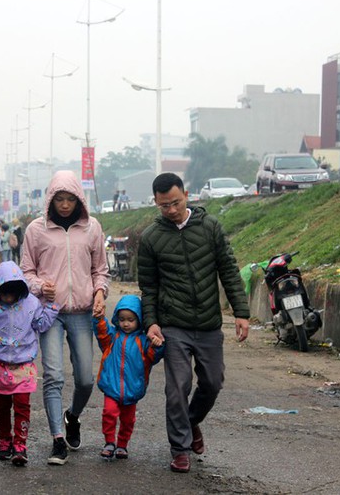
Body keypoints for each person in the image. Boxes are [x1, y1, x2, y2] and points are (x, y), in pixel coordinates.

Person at [137, 172, 250, 473]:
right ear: (156, 204)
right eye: (163, 206)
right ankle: (180, 448)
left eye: (175, 203)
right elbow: (148, 287)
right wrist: (151, 323)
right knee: (178, 386)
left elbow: (228, 270)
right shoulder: (151, 238)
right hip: (173, 324)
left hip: (209, 323)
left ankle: (191, 421)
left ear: (186, 195)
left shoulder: (210, 227)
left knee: (212, 383)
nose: (171, 210)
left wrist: (241, 311)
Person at [20, 170, 110, 465]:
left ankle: (73, 416)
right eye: (59, 199)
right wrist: (37, 286)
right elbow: (26, 271)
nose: (65, 205)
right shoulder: (36, 229)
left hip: (83, 312)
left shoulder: (92, 228)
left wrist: (100, 293)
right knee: (54, 376)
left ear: (78, 199)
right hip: (50, 313)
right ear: (51, 199)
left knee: (85, 379)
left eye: (70, 199)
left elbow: (101, 270)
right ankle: (57, 439)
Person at [0, 261, 60, 467]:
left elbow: (41, 324)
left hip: (23, 366)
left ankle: (20, 445)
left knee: (22, 406)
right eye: (4, 294)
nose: (8, 299)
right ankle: (5, 440)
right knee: (2, 406)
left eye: (13, 294)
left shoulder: (31, 304)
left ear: (20, 290)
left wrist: (52, 306)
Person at [92, 294, 164, 460]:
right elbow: (101, 333)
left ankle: (122, 444)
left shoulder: (143, 341)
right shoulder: (112, 337)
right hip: (112, 386)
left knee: (128, 420)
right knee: (109, 413)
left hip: (132, 389)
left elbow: (153, 357)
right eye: (122, 319)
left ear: (139, 319)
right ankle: (109, 442)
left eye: (130, 319)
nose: (125, 323)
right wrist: (98, 319)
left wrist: (158, 346)